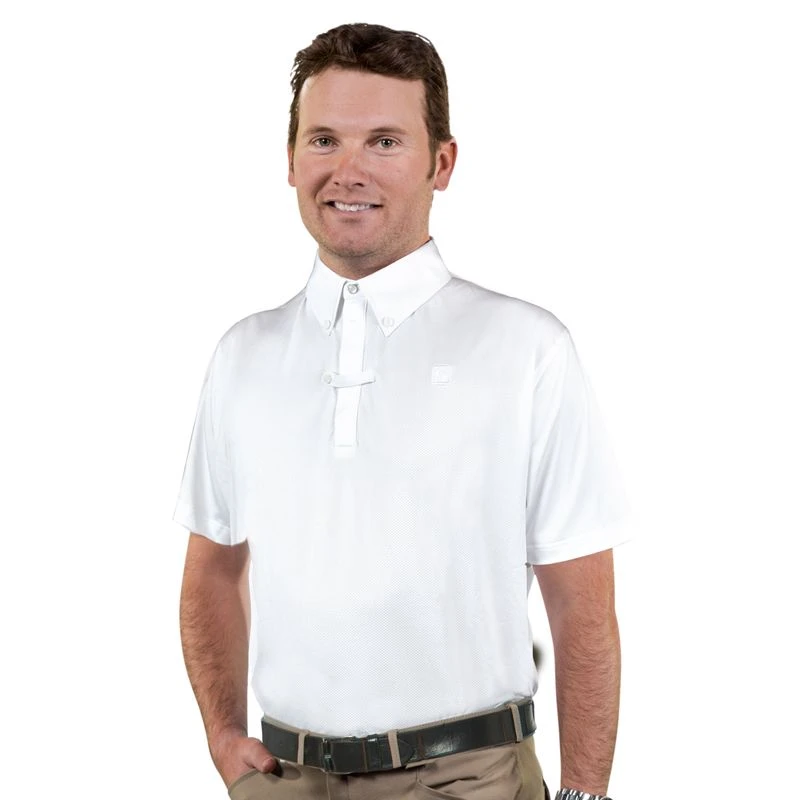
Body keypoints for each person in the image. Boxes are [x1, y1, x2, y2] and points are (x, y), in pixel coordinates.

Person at [173, 21, 630, 800]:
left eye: (384, 142)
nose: (347, 171)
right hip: (286, 779)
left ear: (440, 163)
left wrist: (584, 795)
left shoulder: (525, 349)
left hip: (468, 779)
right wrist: (223, 737)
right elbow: (213, 568)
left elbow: (581, 602)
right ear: (290, 159)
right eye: (324, 140)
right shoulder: (243, 356)